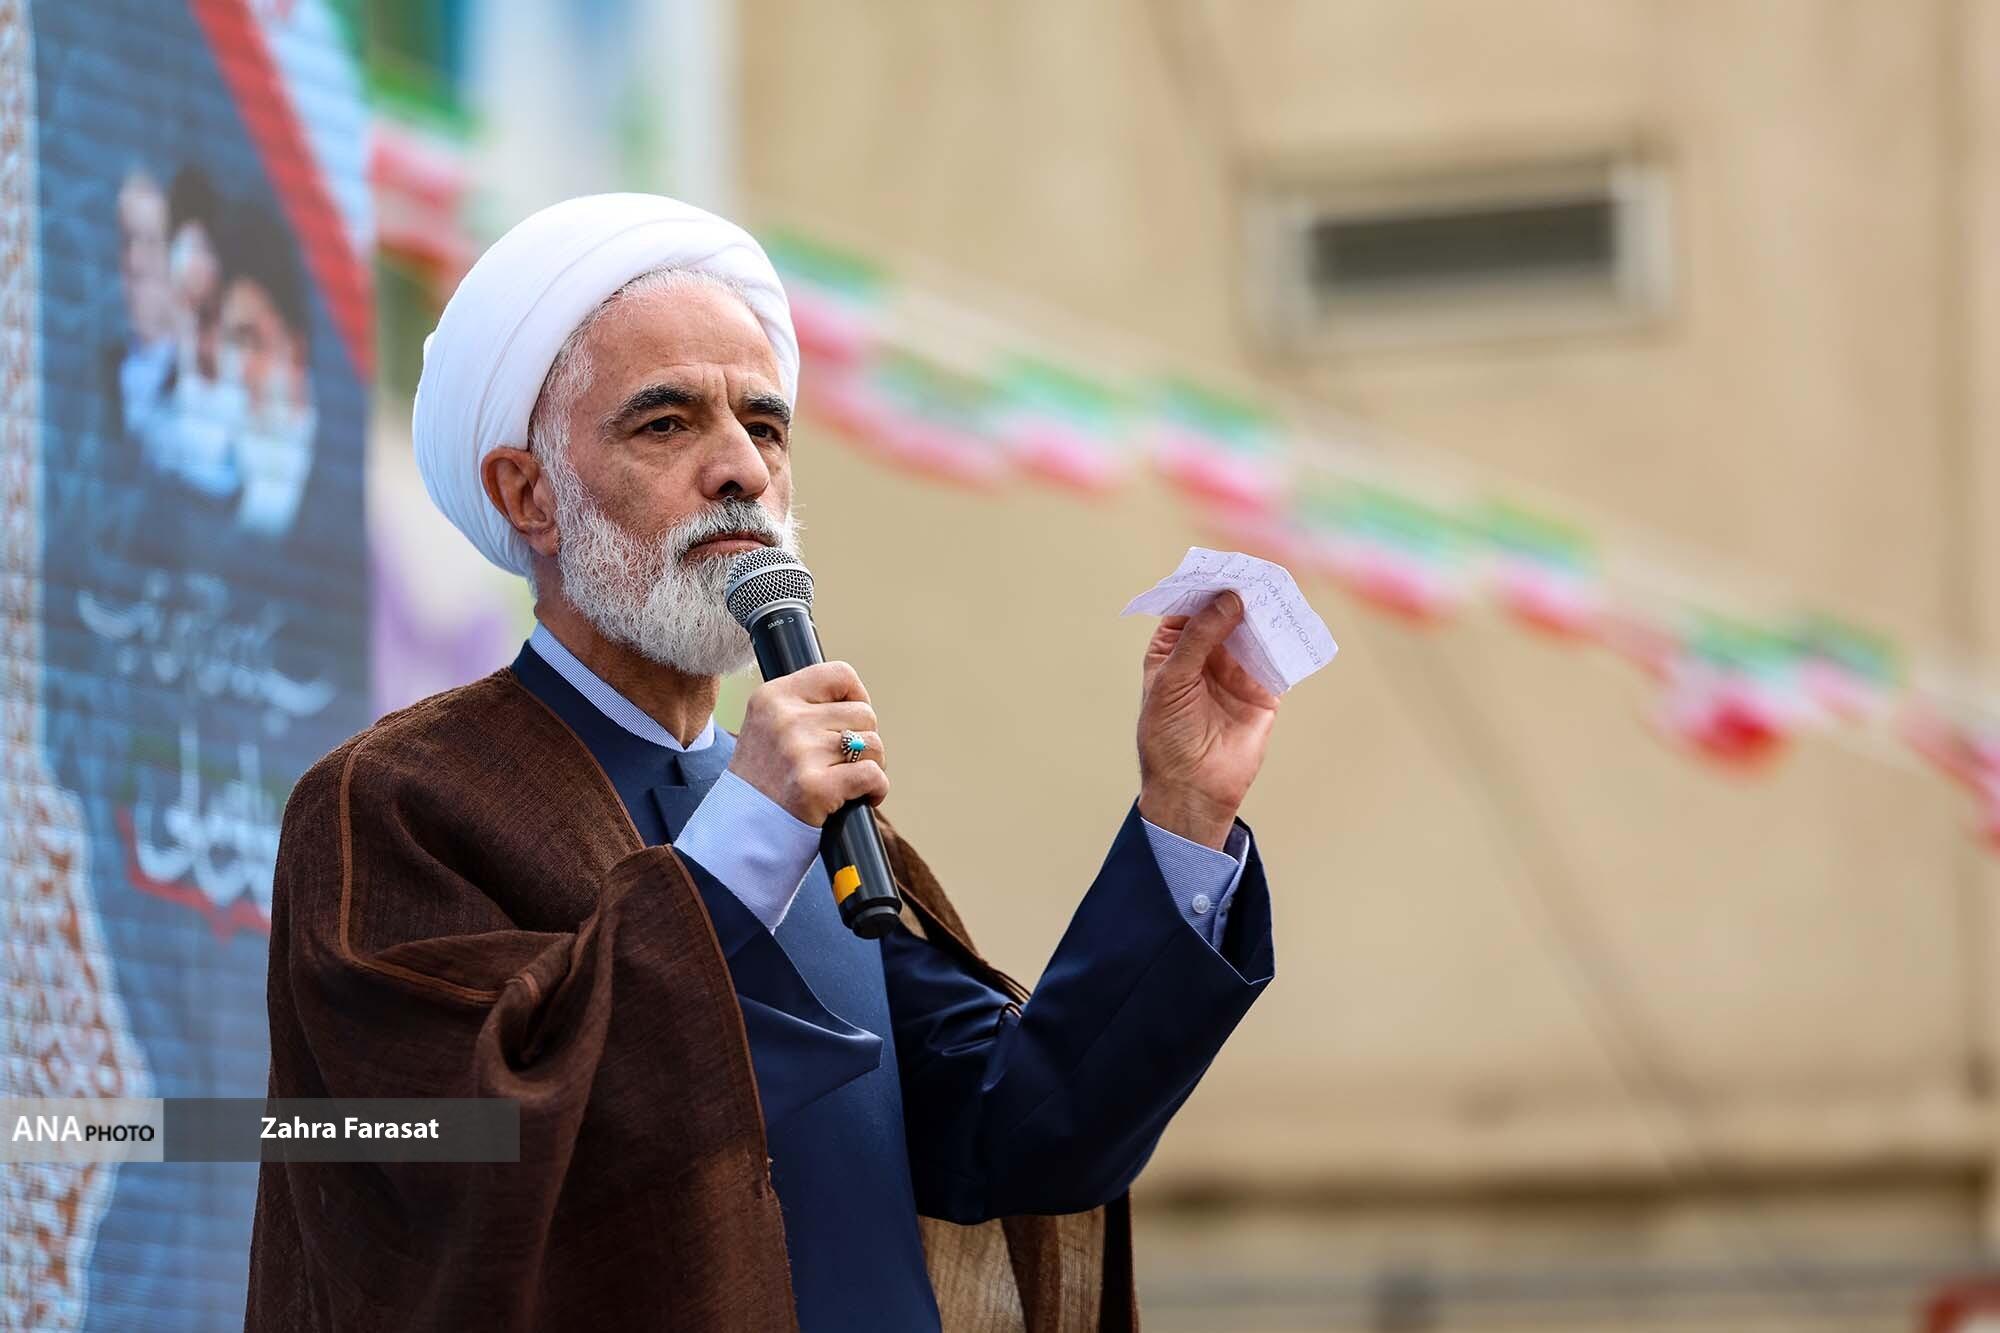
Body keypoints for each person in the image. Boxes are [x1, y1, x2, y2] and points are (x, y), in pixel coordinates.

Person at [245, 194, 1283, 1332]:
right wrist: (748, 838)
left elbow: (1031, 1129)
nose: (740, 467)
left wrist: (1184, 809)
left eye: (767, 425)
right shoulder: (397, 803)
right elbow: (457, 1162)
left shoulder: (833, 837)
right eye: (666, 423)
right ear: (526, 493)